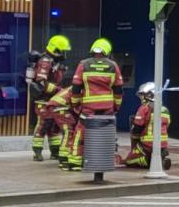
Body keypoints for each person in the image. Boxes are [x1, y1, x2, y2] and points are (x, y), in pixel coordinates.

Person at [67, 38, 124, 171]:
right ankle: (104, 161)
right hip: (107, 108)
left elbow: (76, 87)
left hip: (88, 108)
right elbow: (118, 90)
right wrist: (116, 106)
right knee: (105, 133)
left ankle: (75, 161)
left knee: (80, 132)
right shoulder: (113, 66)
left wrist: (75, 104)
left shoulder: (83, 64)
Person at [27, 34, 70, 162]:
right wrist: (59, 90)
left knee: (54, 126)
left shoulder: (54, 62)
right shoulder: (45, 62)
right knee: (43, 125)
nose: (64, 54)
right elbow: (41, 82)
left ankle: (55, 152)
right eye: (62, 51)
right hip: (43, 99)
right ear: (55, 50)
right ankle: (37, 152)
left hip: (53, 100)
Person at [124, 82, 172, 170]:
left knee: (129, 161)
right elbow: (167, 125)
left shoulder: (144, 108)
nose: (141, 98)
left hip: (147, 145)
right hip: (162, 145)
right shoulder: (165, 109)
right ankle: (160, 159)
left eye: (142, 95)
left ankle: (149, 161)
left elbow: (137, 127)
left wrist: (134, 136)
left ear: (150, 95)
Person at [47, 86, 77, 171]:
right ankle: (64, 159)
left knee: (67, 131)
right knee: (69, 131)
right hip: (60, 107)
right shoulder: (82, 87)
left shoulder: (75, 86)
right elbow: (77, 104)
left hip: (56, 106)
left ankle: (63, 158)